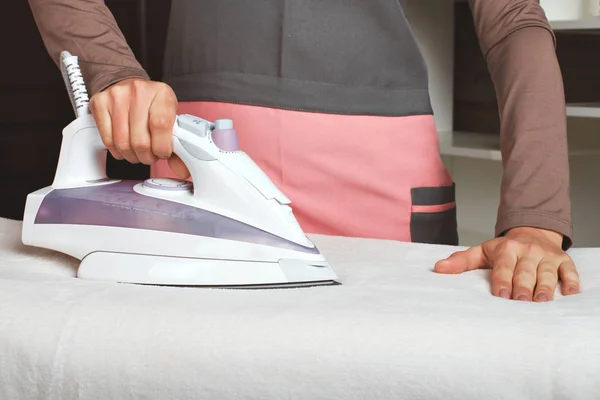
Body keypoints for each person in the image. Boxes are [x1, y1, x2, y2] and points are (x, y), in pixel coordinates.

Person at [28, 0, 579, 302]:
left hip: (379, 181)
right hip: (197, 174)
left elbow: (514, 22)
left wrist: (534, 217)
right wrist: (111, 70)